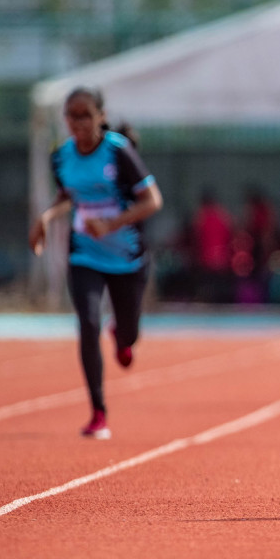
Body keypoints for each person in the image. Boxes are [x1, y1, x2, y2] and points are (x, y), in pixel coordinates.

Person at [28, 87, 163, 439]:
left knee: (129, 332)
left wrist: (111, 224)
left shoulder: (118, 151)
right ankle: (98, 412)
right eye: (71, 116)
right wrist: (47, 217)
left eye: (85, 115)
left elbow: (152, 201)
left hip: (126, 256)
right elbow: (66, 196)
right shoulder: (61, 157)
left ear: (100, 117)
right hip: (84, 253)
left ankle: (122, 334)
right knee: (88, 324)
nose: (78, 123)